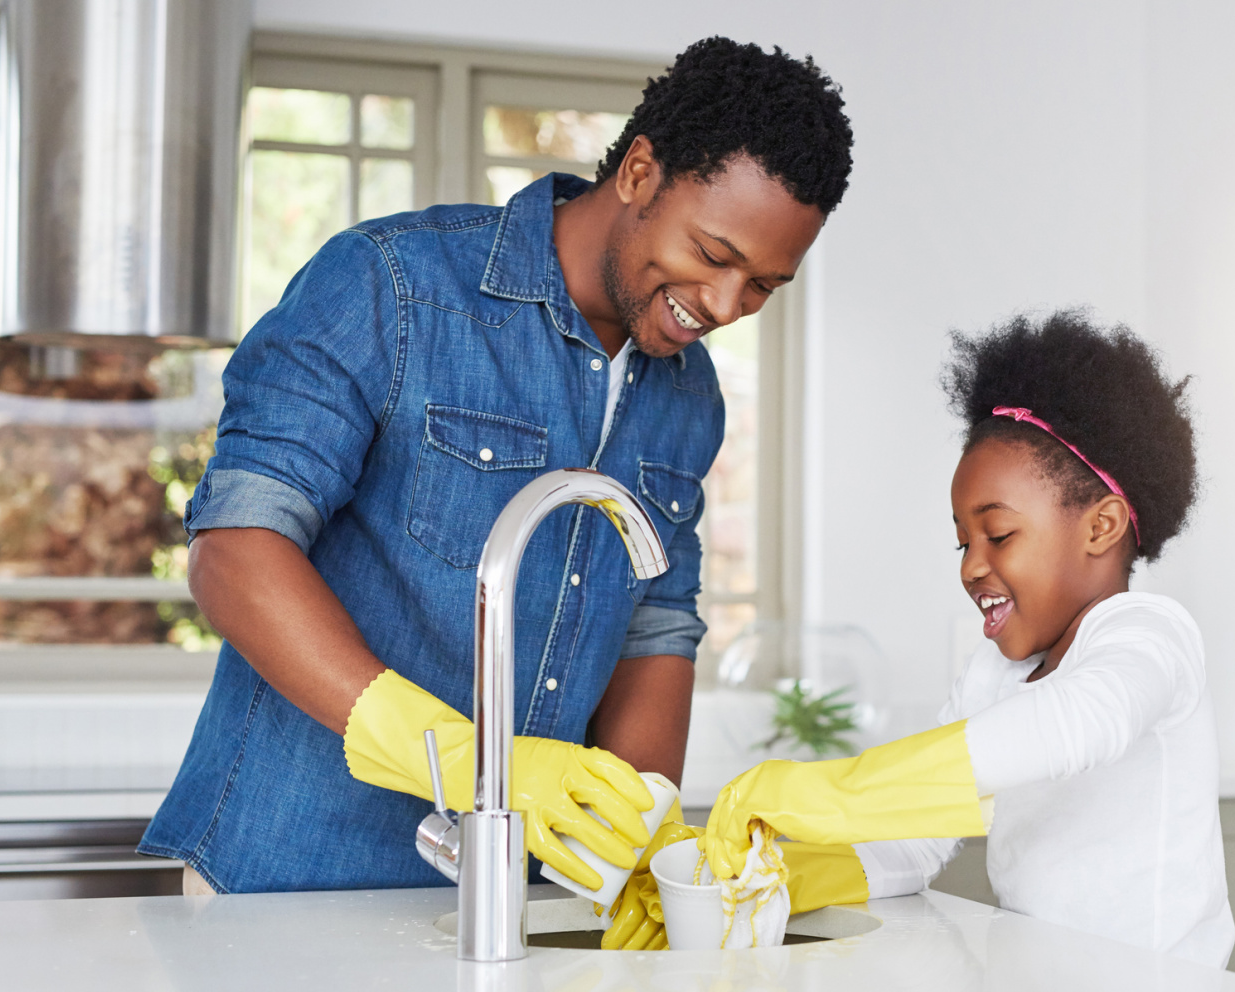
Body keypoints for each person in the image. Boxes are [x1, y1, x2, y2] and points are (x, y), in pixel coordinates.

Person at [138, 37, 854, 895]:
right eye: (713, 254)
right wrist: (469, 764)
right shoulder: (393, 287)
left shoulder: (690, 397)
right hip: (288, 877)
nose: (727, 306)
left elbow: (656, 624)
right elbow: (236, 547)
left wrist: (635, 843)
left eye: (764, 287)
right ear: (637, 172)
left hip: (511, 904)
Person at [615, 311, 1233, 967]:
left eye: (998, 535)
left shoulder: (1149, 634)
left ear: (1101, 526)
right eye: (963, 542)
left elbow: (1077, 724)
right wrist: (755, 885)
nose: (970, 564)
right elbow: (912, 842)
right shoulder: (996, 672)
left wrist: (826, 792)